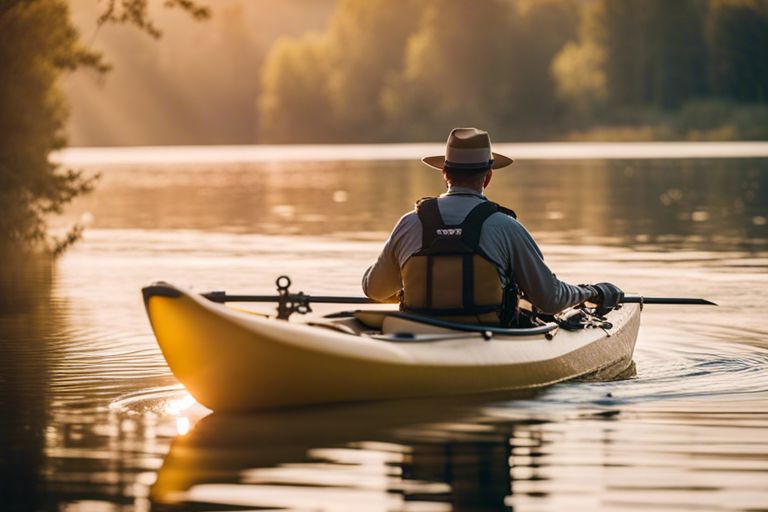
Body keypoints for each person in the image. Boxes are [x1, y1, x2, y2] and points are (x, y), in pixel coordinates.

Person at [362, 127, 623, 325]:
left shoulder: (409, 223)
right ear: (487, 177)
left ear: (444, 173)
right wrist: (591, 292)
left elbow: (374, 289)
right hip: (490, 341)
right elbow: (550, 299)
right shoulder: (505, 227)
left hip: (419, 336)